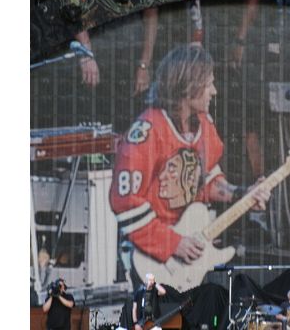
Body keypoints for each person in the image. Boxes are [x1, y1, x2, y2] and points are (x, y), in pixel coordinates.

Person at [109, 44, 270, 285]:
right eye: (208, 84)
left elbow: (206, 180)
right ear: (188, 86)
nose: (214, 91)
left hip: (188, 254)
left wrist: (242, 194)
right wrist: (172, 243)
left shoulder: (203, 124)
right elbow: (126, 204)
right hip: (148, 261)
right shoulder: (148, 132)